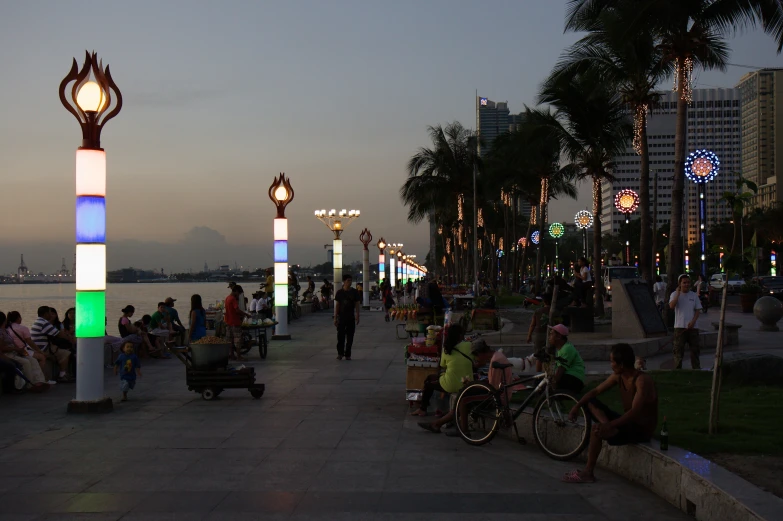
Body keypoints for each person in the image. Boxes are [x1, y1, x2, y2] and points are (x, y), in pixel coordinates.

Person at [563, 343, 658, 484]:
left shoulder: (642, 381)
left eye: (612, 361)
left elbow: (634, 412)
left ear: (621, 365)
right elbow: (595, 391)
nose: (610, 364)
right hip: (627, 423)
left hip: (640, 429)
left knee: (596, 430)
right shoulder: (618, 376)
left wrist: (610, 425)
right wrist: (577, 406)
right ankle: (606, 426)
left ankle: (588, 472)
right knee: (590, 401)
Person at [418, 338, 496, 434]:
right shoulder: (494, 357)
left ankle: (461, 430)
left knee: (462, 398)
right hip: (485, 389)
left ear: (482, 353)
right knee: (462, 396)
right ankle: (438, 424)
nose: (477, 359)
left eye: (477, 356)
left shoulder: (495, 360)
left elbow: (494, 385)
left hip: (492, 395)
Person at [412, 324, 473, 417]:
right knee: (436, 378)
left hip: (451, 385)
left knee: (429, 381)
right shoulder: (469, 345)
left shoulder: (446, 349)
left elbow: (442, 366)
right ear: (461, 335)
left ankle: (423, 408)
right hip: (467, 383)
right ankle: (435, 407)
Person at [0, 311, 48, 392]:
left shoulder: (6, 330)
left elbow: (13, 343)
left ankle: (39, 381)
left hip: (14, 352)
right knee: (26, 362)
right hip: (7, 354)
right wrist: (16, 349)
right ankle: (30, 384)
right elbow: (2, 348)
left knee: (32, 360)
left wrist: (19, 350)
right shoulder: (1, 332)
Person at [30, 306, 73, 382]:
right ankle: (62, 375)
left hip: (40, 347)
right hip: (42, 348)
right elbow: (59, 334)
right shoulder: (44, 323)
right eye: (50, 313)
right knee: (65, 353)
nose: (51, 315)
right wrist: (71, 338)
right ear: (46, 314)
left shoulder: (38, 321)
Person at [669, 274, 702, 369]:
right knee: (678, 351)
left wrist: (693, 322)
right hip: (679, 327)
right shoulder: (674, 294)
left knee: (695, 350)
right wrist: (677, 294)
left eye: (688, 282)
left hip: (693, 328)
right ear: (680, 284)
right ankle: (677, 370)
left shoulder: (694, 295)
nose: (686, 284)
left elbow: (698, 310)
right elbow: (671, 306)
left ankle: (696, 369)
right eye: (684, 283)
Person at [547, 324, 585, 393]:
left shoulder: (566, 349)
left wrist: (552, 385)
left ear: (558, 336)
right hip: (571, 377)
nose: (549, 337)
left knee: (546, 385)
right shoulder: (562, 349)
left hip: (574, 379)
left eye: (551, 334)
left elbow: (560, 370)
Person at [334, 274, 360, 360]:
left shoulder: (354, 292)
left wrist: (357, 315)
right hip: (341, 317)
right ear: (344, 281)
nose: (350, 282)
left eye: (350, 280)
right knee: (340, 336)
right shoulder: (339, 293)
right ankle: (340, 353)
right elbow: (337, 305)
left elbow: (357, 304)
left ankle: (348, 354)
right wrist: (335, 317)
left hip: (351, 317)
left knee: (350, 337)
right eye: (348, 280)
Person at [225, 285, 251, 360]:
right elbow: (237, 310)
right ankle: (239, 356)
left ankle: (232, 355)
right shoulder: (233, 299)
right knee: (238, 340)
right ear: (236, 291)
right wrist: (246, 314)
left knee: (230, 340)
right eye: (239, 293)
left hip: (228, 322)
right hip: (235, 322)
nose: (238, 295)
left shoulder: (227, 298)